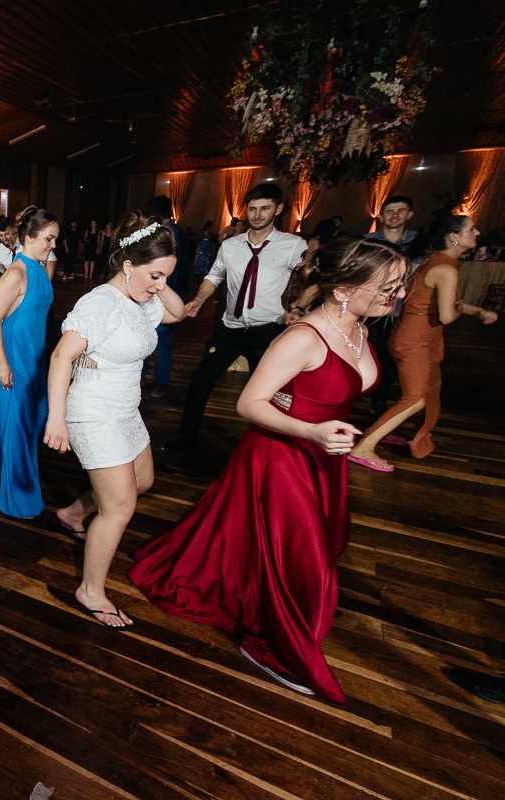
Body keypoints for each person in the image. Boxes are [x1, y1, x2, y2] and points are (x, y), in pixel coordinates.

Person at [130, 237, 409, 700]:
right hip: (282, 458)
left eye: (399, 286)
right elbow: (249, 403)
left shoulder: (359, 328)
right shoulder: (304, 337)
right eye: (386, 287)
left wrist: (323, 435)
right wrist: (313, 431)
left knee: (271, 550)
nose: (395, 296)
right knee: (302, 556)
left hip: (323, 458)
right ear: (343, 290)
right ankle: (273, 648)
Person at [44, 213, 186, 627]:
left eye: (166, 276)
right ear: (127, 265)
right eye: (154, 275)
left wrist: (158, 279)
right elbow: (61, 356)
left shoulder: (142, 300)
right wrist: (56, 419)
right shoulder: (101, 303)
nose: (160, 285)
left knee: (142, 481)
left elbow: (178, 313)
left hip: (126, 409)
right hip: (93, 412)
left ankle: (73, 514)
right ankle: (90, 591)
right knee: (120, 507)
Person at [164, 184, 309, 451]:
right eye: (252, 209)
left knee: (268, 393)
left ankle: (266, 448)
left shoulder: (293, 245)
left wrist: (298, 308)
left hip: (267, 331)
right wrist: (199, 299)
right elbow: (214, 276)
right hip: (229, 329)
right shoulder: (230, 245)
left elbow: (314, 281)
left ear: (278, 209)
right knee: (200, 383)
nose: (257, 215)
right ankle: (185, 437)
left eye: (264, 208)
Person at [347, 216, 498, 471]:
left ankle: (408, 436)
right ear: (453, 237)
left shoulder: (439, 262)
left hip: (424, 337)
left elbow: (444, 304)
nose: (477, 232)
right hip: (415, 340)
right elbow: (447, 315)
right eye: (471, 229)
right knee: (415, 398)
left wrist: (477, 311)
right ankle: (363, 447)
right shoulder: (445, 269)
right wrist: (462, 310)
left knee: (430, 393)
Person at [0, 206, 58, 518]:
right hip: (14, 359)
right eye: (49, 238)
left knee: (34, 418)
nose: (53, 244)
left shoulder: (39, 269)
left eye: (55, 238)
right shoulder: (17, 274)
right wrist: (3, 363)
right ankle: (21, 496)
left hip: (35, 356)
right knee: (20, 427)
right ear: (30, 237)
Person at [363, 195, 417, 414]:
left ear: (409, 214)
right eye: (389, 211)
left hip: (398, 309)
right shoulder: (368, 241)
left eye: (400, 211)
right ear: (382, 216)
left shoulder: (419, 242)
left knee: (389, 355)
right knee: (355, 348)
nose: (395, 215)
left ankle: (380, 398)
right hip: (367, 306)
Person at [142, 195, 192, 398]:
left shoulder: (170, 233)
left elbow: (173, 271)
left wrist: (160, 293)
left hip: (165, 295)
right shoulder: (170, 230)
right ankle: (143, 377)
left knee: (161, 341)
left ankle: (160, 382)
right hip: (159, 292)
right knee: (146, 336)